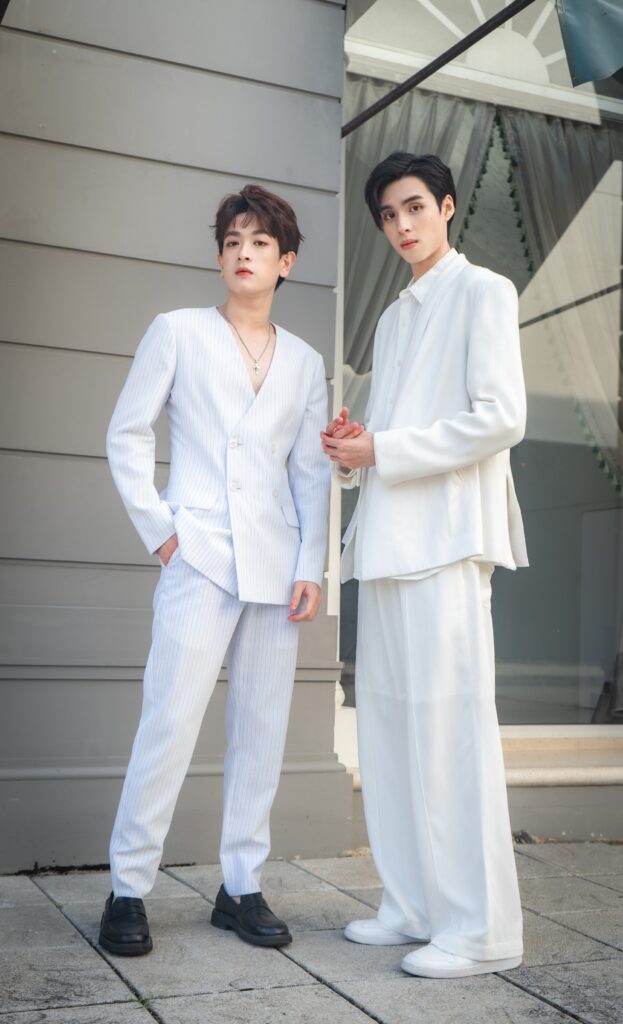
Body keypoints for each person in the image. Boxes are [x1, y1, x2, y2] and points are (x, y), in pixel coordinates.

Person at [100, 184, 330, 956]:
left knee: (260, 731)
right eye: (232, 241)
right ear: (220, 255)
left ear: (285, 261)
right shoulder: (177, 331)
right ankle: (128, 888)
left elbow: (310, 474)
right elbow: (127, 433)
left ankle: (240, 886)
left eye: (259, 243)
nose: (243, 253)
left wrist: (310, 566)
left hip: (275, 566)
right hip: (197, 554)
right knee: (168, 721)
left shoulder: (305, 363)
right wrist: (162, 533)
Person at [322, 152, 527, 979]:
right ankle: (409, 904)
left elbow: (500, 417)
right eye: (387, 215)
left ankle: (480, 932)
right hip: (385, 545)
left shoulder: (484, 292)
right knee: (389, 733)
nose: (401, 225)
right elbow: (385, 435)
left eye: (413, 207)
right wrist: (352, 450)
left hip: (446, 541)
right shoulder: (394, 318)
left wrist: (384, 449)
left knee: (451, 737)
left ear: (445, 207)